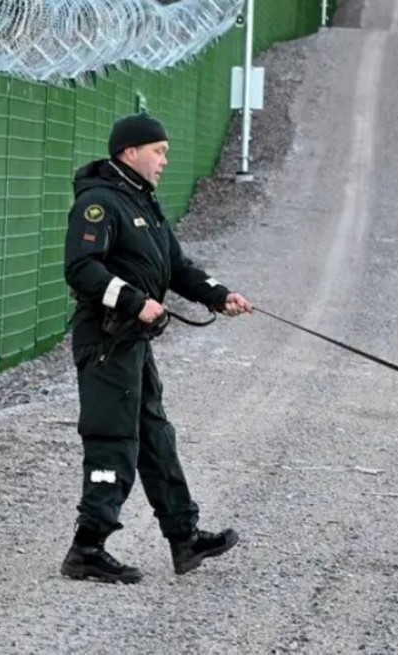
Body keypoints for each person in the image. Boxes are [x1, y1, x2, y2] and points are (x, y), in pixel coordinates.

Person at [60, 112, 255, 584]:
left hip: (133, 342)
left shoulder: (142, 203)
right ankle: (87, 548)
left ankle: (184, 538)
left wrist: (219, 295)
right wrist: (135, 302)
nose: (164, 160)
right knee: (112, 439)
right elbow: (82, 268)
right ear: (130, 152)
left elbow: (177, 267)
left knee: (155, 438)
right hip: (106, 340)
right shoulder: (99, 203)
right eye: (158, 151)